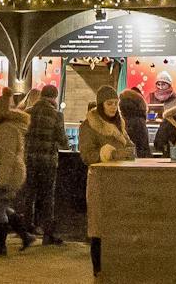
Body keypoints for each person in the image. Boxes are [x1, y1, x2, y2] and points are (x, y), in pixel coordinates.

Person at [75, 85, 134, 272]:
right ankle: (98, 270)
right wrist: (111, 153)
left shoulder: (119, 124)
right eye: (109, 104)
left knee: (118, 225)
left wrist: (127, 152)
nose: (113, 108)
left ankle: (115, 267)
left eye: (116, 104)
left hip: (120, 181)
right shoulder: (89, 125)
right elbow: (86, 155)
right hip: (100, 182)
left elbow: (131, 147)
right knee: (99, 227)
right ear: (101, 104)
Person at [0, 90, 33, 255]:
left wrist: (1, 180)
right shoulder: (5, 127)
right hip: (10, 171)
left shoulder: (6, 129)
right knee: (3, 207)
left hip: (8, 173)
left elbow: (8, 157)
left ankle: (1, 246)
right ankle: (25, 236)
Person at [19, 82, 66, 245]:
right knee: (47, 198)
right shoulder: (57, 115)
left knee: (29, 195)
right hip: (47, 162)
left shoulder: (28, 112)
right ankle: (48, 234)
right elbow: (63, 140)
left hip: (30, 160)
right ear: (54, 97)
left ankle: (25, 230)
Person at [118, 87, 152, 159]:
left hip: (132, 161)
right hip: (140, 161)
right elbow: (143, 147)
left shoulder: (126, 121)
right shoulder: (139, 121)